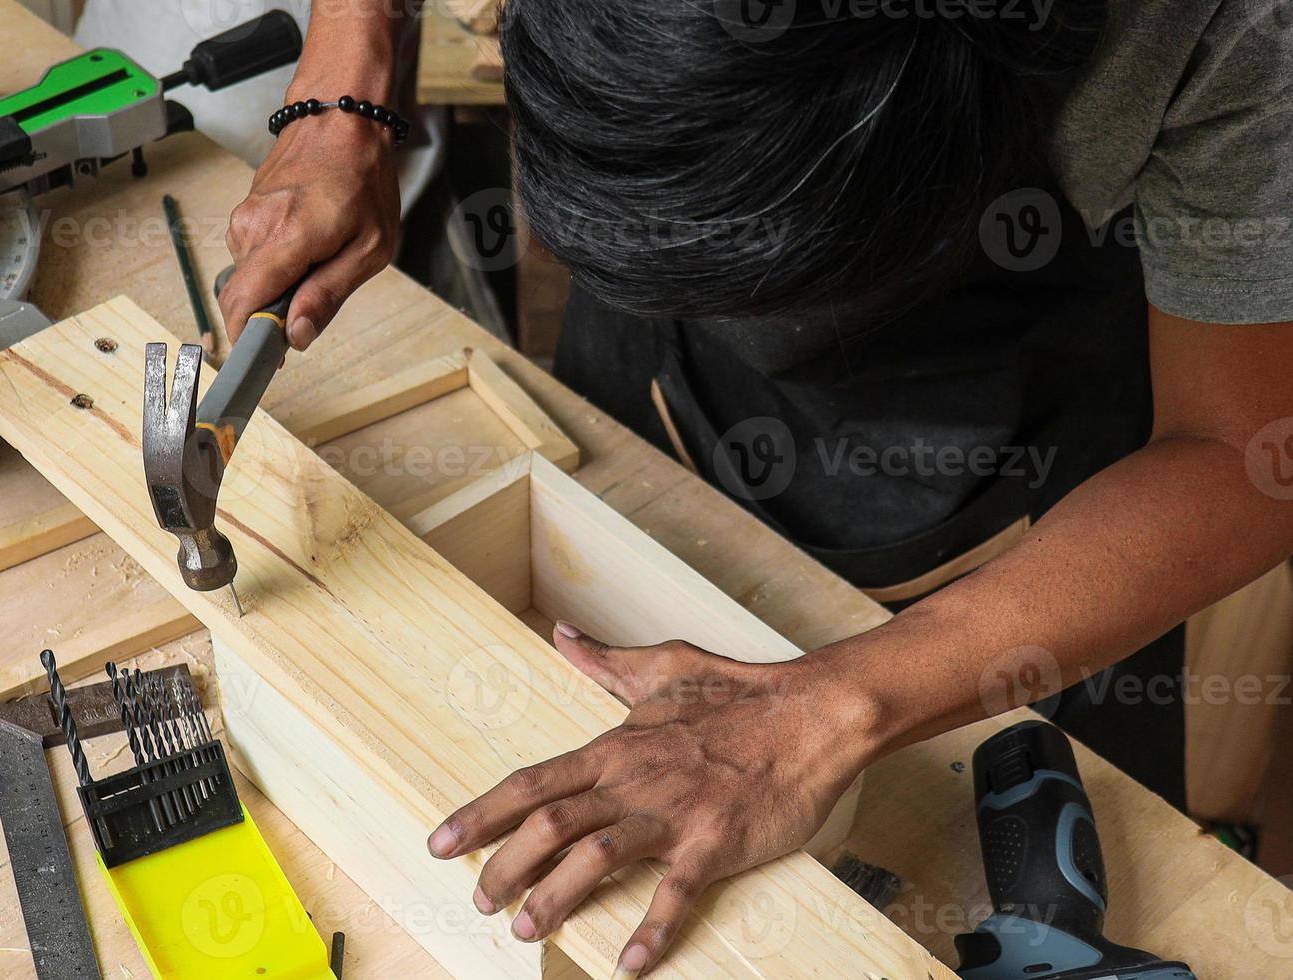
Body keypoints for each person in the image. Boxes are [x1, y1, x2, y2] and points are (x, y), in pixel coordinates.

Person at [220, 0, 1293, 973]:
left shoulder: (1230, 32)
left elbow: (1240, 457)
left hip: (1025, 466)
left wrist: (830, 708)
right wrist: (346, 89)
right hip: (663, 383)